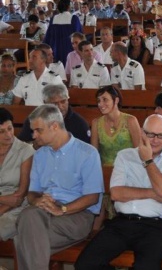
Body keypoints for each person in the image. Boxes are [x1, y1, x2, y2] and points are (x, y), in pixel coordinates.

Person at [74, 114, 162, 270]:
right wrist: (153, 193)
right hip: (122, 223)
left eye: (161, 135)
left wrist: (147, 161)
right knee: (85, 264)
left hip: (155, 226)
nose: (154, 140)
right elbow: (117, 194)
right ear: (141, 132)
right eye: (150, 134)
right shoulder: (125, 156)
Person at [15, 104, 103, 270]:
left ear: (54, 126)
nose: (33, 136)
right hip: (43, 214)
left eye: (38, 130)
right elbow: (32, 192)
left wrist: (62, 209)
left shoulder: (87, 153)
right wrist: (38, 201)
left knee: (23, 237)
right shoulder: (40, 155)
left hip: (77, 215)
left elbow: (92, 197)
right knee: (30, 220)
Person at [18, 83, 91, 146]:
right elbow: (22, 143)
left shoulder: (79, 123)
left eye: (63, 102)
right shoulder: (35, 119)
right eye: (54, 103)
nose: (60, 107)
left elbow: (84, 150)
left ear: (68, 100)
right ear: (45, 102)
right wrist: (34, 145)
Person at [0, 108, 34, 240]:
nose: (8, 135)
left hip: (16, 207)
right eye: (1, 132)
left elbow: (20, 195)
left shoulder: (26, 151)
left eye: (10, 128)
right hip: (6, 199)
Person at [91, 86, 142, 165]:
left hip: (128, 170)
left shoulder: (130, 120)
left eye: (105, 100)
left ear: (116, 100)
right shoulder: (96, 123)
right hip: (105, 171)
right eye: (98, 101)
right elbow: (94, 155)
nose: (100, 104)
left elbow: (139, 152)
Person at [43, 0, 82, 65]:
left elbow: (48, 37)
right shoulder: (73, 19)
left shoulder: (54, 18)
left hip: (55, 49)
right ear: (69, 6)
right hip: (69, 49)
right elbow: (79, 36)